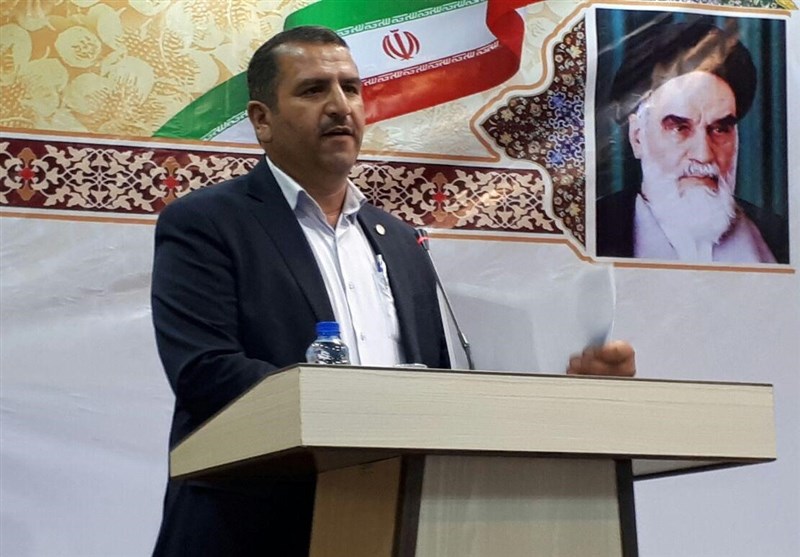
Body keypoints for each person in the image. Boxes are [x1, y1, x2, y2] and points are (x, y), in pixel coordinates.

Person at [150, 25, 636, 557]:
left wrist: (562, 394)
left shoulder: (401, 241)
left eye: (351, 88)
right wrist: (359, 408)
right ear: (262, 120)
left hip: (389, 521)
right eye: (313, 90)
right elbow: (206, 372)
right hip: (250, 527)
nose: (340, 106)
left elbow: (439, 385)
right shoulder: (207, 223)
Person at [596, 20, 787, 264]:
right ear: (637, 137)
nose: (704, 154)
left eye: (720, 129)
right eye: (679, 128)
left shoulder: (779, 237)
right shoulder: (593, 228)